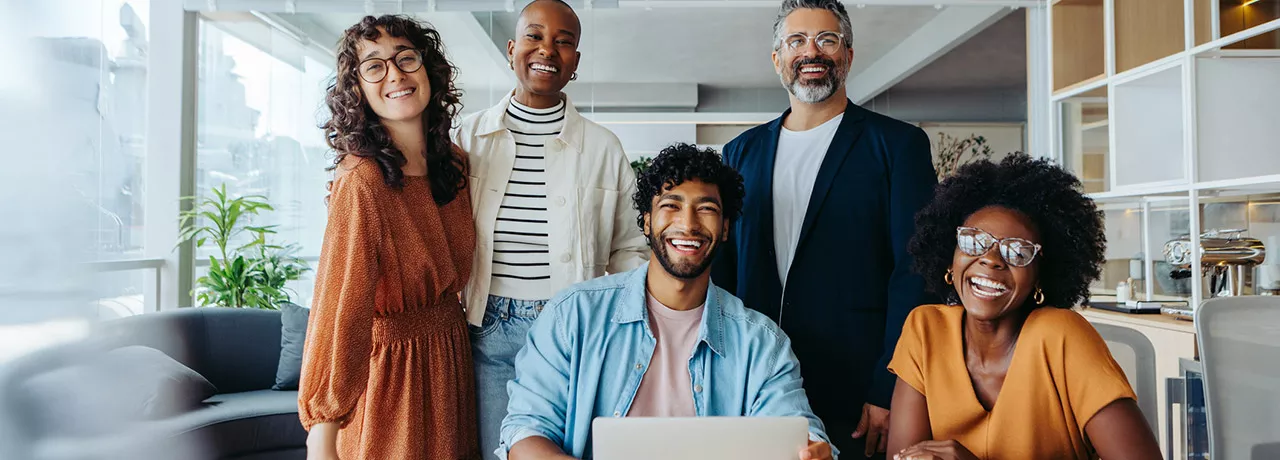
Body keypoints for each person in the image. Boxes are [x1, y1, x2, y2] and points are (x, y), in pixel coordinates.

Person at [499, 144, 834, 460]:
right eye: (671, 206)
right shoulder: (573, 315)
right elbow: (525, 432)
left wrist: (812, 450)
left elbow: (798, 428)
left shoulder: (761, 342)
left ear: (726, 228)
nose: (688, 224)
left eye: (706, 209)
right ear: (646, 221)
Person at [711, 0, 938, 456]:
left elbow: (916, 274)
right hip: (756, 385)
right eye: (796, 41)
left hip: (857, 394)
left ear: (848, 55)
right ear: (778, 59)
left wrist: (888, 387)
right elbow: (724, 276)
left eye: (826, 40)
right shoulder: (739, 153)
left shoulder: (898, 147)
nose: (810, 52)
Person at [451, 1, 647, 457]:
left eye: (564, 41)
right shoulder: (467, 137)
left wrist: (612, 319)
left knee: (565, 449)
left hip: (572, 326)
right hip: (488, 327)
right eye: (535, 36)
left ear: (575, 61)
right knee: (500, 451)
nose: (548, 50)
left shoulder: (603, 147)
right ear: (512, 47)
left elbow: (630, 248)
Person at [886, 155, 1162, 460]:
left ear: (1040, 276)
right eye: (973, 241)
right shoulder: (925, 329)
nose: (991, 258)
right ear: (950, 260)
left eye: (1017, 251)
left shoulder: (1061, 337)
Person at [299, 15, 480, 460]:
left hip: (451, 360)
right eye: (374, 66)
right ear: (357, 88)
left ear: (429, 71)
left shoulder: (454, 164)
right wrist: (324, 427)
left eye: (406, 59)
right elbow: (341, 305)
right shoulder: (362, 181)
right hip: (392, 376)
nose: (395, 74)